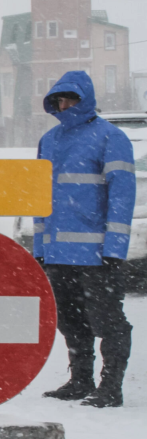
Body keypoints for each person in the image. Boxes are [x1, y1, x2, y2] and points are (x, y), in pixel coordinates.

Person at [35, 71, 135, 407]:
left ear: (84, 99)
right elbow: (39, 197)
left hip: (96, 255)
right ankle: (80, 381)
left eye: (69, 98)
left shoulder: (111, 137)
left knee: (108, 322)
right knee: (70, 321)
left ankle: (110, 388)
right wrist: (40, 248)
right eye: (59, 99)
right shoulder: (48, 141)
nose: (63, 104)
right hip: (58, 254)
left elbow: (122, 197)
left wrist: (115, 248)